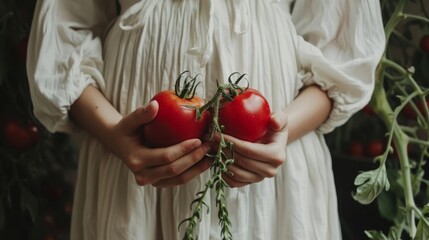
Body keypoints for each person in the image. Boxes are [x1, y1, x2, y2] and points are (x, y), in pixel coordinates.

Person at [27, 0, 385, 239]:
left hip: (275, 173)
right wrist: (117, 137)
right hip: (131, 172)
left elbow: (343, 54)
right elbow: (62, 37)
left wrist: (282, 129)